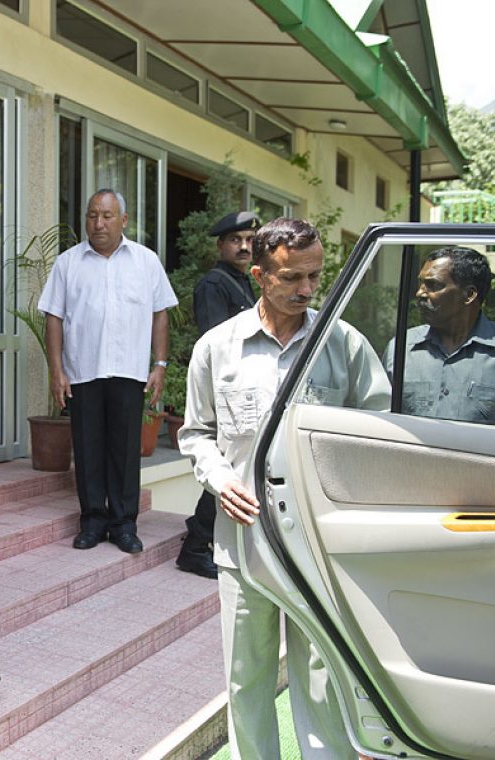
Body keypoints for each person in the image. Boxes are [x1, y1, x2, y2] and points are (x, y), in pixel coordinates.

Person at [179, 217, 391, 759]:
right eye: (292, 277)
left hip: (318, 544)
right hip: (243, 540)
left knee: (322, 676)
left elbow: (379, 429)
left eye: (314, 276)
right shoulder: (217, 348)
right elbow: (196, 433)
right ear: (259, 275)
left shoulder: (342, 343)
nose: (306, 288)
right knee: (245, 674)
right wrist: (220, 479)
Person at [38, 189, 177, 554]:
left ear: (123, 220)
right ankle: (92, 522)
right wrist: (56, 370)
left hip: (129, 373)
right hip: (82, 372)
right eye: (92, 215)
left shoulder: (146, 262)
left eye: (107, 216)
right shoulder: (68, 263)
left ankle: (124, 525)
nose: (98, 223)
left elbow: (160, 314)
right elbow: (53, 317)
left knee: (125, 450)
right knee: (88, 450)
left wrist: (160, 364)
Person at [176, 210, 260, 578]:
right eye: (235, 240)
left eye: (249, 241)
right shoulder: (214, 284)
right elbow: (216, 344)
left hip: (244, 391)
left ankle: (199, 539)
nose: (244, 247)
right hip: (226, 394)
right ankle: (195, 547)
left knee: (232, 470)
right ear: (221, 245)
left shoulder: (243, 281)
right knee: (224, 470)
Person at [384, 246, 495, 425]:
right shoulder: (402, 348)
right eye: (420, 283)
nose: (420, 293)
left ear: (469, 295)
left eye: (433, 285)